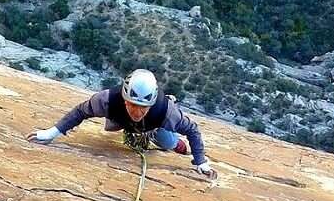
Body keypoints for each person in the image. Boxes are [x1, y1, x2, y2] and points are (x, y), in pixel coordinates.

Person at [27, 69, 215, 177]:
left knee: (168, 143)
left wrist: (200, 162)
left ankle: (175, 144)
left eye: (143, 107)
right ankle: (134, 131)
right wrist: (51, 133)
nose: (137, 111)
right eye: (132, 105)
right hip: (122, 121)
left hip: (154, 124)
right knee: (114, 126)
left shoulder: (165, 111)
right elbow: (80, 111)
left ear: (151, 103)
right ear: (124, 99)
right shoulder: (108, 100)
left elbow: (192, 129)